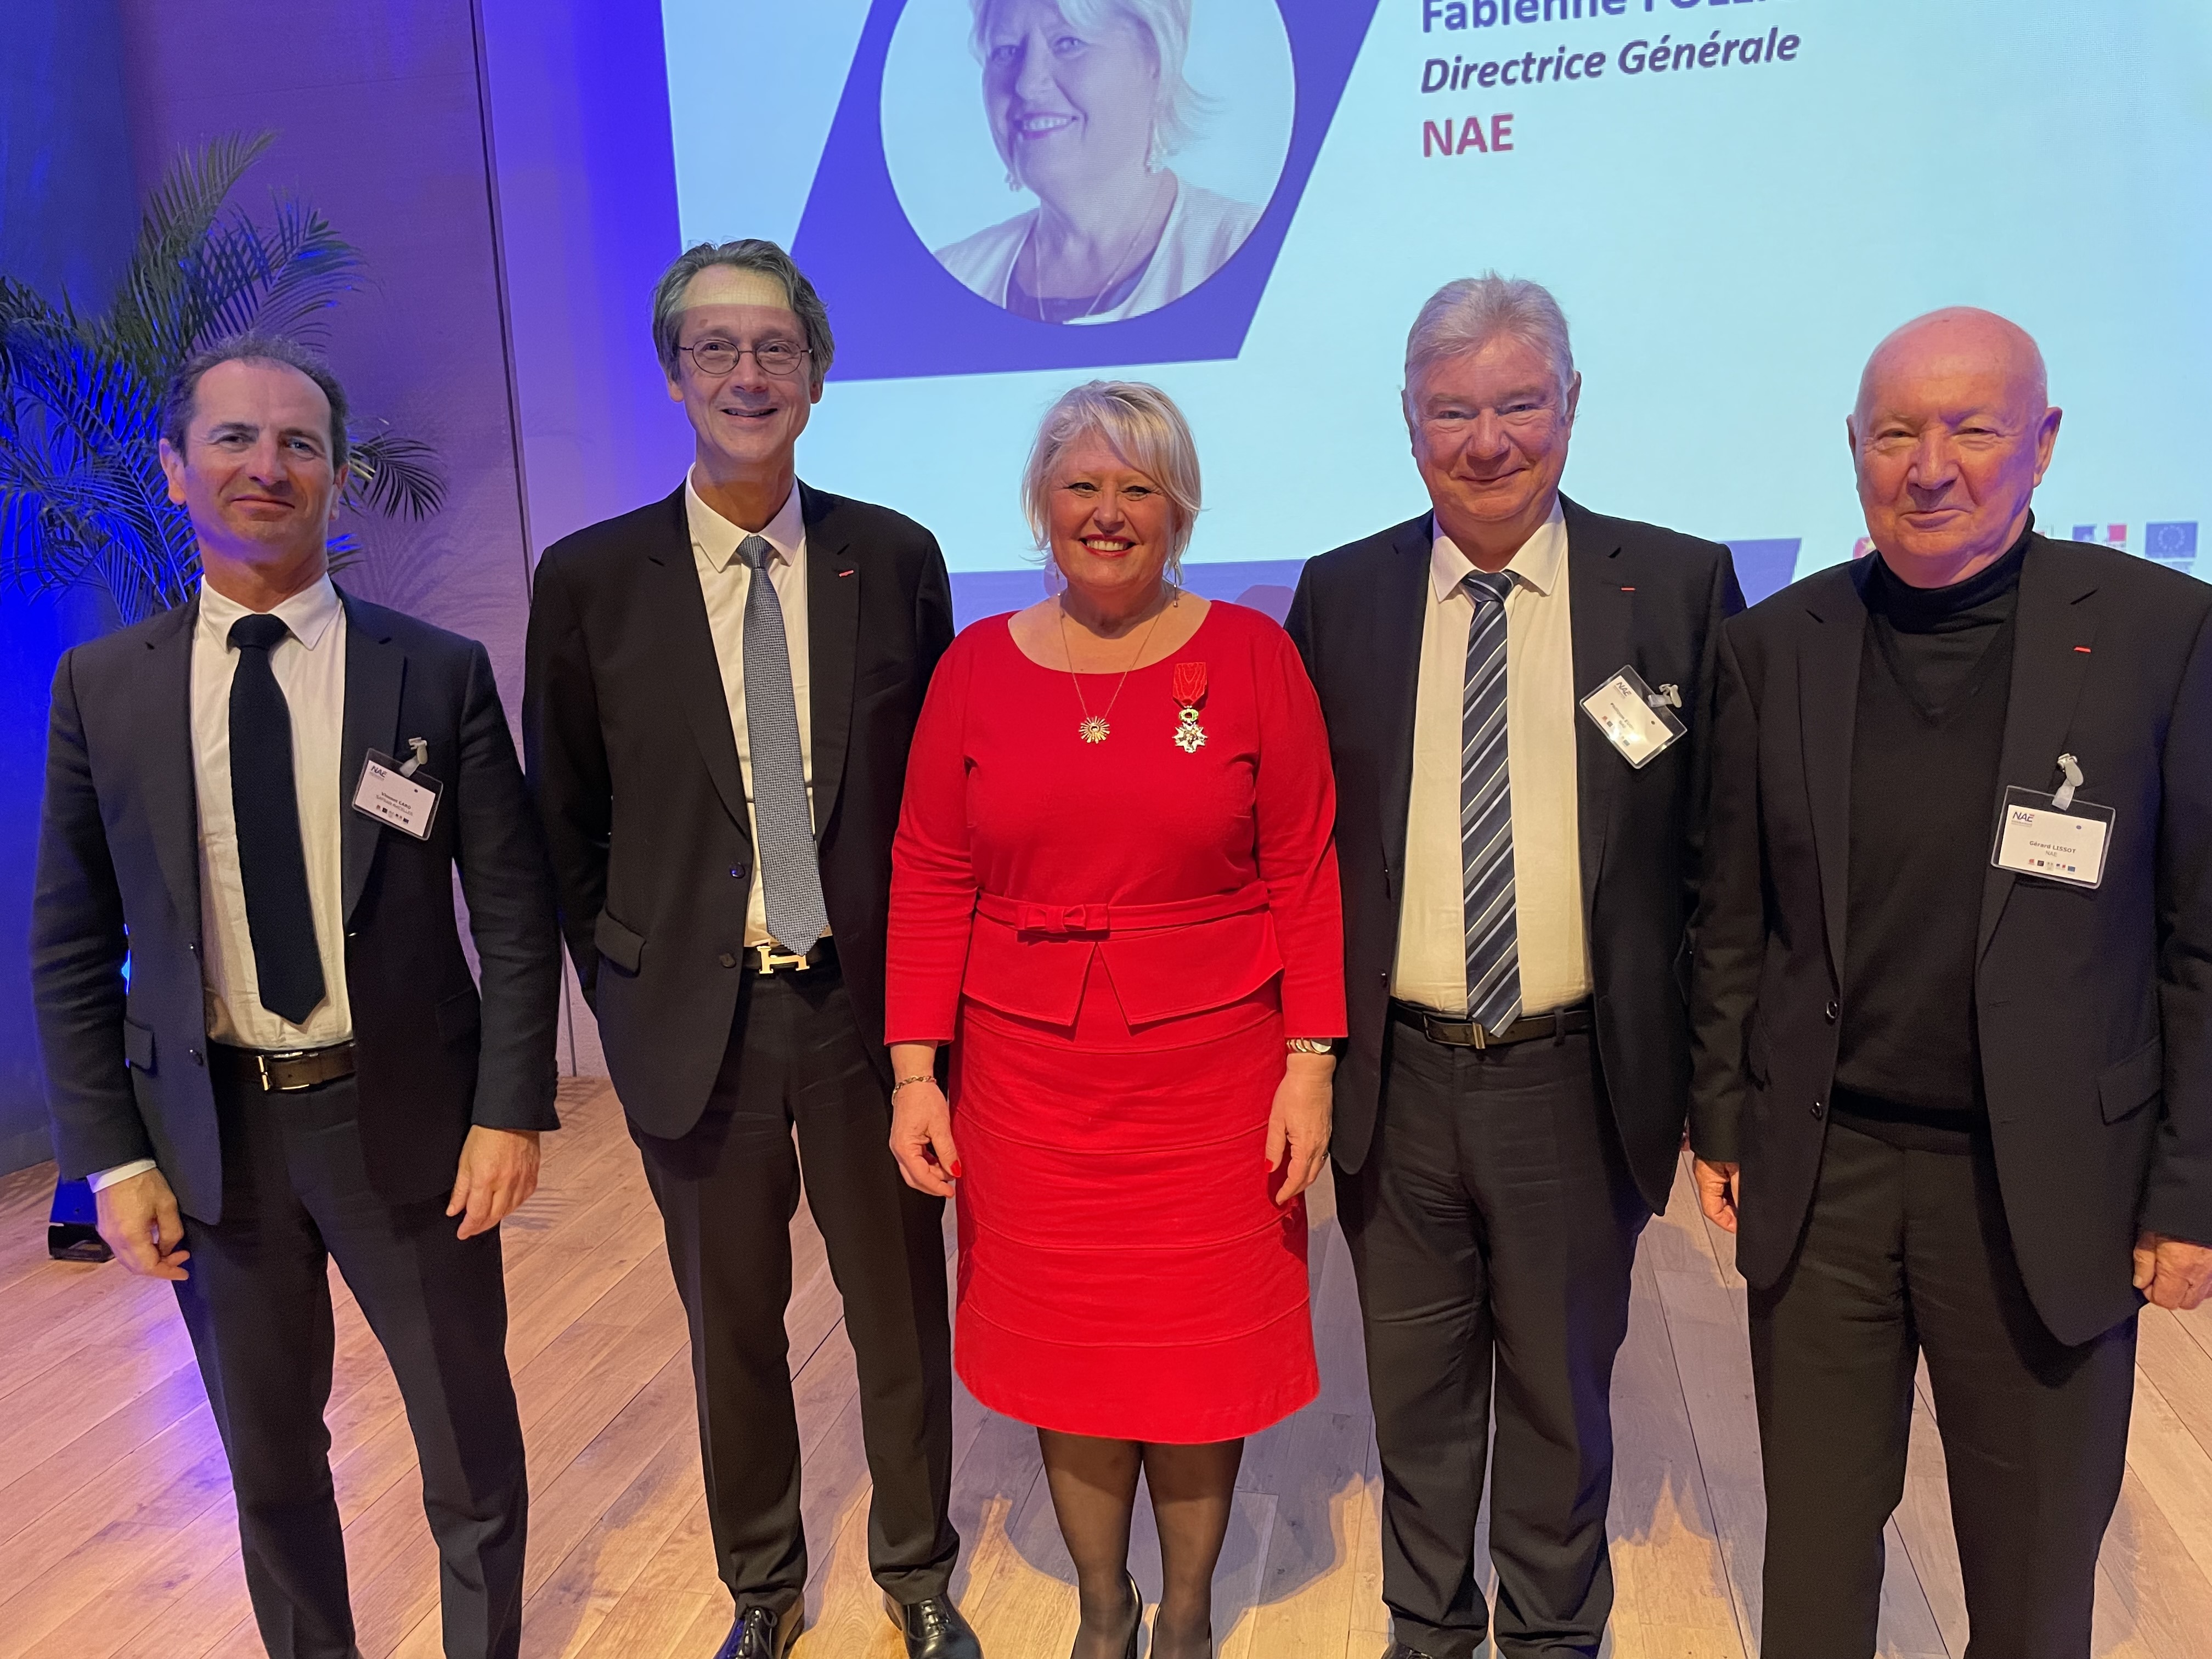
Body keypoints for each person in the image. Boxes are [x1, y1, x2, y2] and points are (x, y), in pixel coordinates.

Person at [1688, 307, 2212, 1659]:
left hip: (2048, 1186)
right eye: (1896, 434)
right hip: (1830, 1178)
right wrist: (1724, 1116)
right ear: (1852, 448)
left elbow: (2200, 942)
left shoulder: (2161, 634)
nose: (1931, 467)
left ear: (2043, 443)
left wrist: (2190, 1191)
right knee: (1813, 1560)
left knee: (2033, 1585)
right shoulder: (1777, 645)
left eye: (1973, 430)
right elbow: (1735, 917)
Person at [31, 335, 561, 1659]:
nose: (266, 466)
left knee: (470, 1452)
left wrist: (509, 1111)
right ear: (174, 469)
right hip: (217, 1143)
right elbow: (71, 940)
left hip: (411, 1126)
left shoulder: (431, 672)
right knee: (268, 1472)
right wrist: (112, 1159)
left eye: (298, 443)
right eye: (233, 438)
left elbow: (512, 912)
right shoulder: (106, 688)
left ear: (335, 474)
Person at [522, 240, 979, 1659]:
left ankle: (917, 1571)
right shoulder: (591, 580)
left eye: (776, 348)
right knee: (732, 1328)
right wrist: (624, 991)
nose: (747, 373)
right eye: (714, 348)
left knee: (899, 1317)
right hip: (691, 1023)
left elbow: (942, 804)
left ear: (818, 376)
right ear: (673, 376)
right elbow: (565, 820)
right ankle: (763, 1588)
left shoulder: (894, 559)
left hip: (865, 1018)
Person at [1286, 276, 1743, 1659]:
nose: (1488, 442)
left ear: (1573, 404)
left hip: (1575, 1078)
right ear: (1409, 422)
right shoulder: (1343, 595)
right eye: (1453, 412)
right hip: (1399, 1077)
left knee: (1560, 1398)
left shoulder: (1675, 588)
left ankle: (1552, 1638)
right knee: (1415, 1399)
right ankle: (1425, 1630)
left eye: (1520, 404)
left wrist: (1719, 1100)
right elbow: (1301, 854)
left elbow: (1723, 868)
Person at [884, 381, 1344, 1659]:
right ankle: (1104, 1611)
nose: (1108, 511)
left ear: (1179, 508)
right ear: (1042, 503)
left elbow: (1305, 868)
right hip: (1027, 1079)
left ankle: (1186, 1617)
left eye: (1138, 487)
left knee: (1197, 1362)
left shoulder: (1252, 657)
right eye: (1082, 485)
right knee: (1068, 1356)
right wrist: (916, 1071)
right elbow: (930, 871)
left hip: (1216, 1074)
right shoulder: (975, 668)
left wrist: (1311, 1061)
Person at [934, 0, 1261, 323]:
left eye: (1068, 43)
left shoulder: (1251, 255)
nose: (1027, 84)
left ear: (1155, 59)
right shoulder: (954, 277)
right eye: (1006, 51)